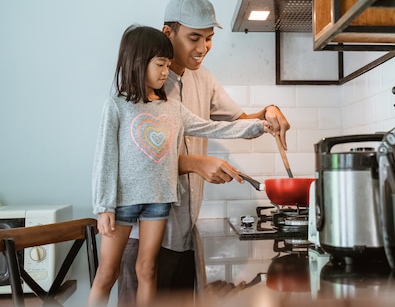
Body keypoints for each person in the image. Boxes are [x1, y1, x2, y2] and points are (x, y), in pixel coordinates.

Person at [117, 0, 291, 304]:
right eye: (194, 37)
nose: (202, 49)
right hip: (144, 236)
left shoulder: (203, 79)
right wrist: (195, 163)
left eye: (209, 39)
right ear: (167, 32)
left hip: (184, 234)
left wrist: (268, 112)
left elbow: (238, 121)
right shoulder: (142, 82)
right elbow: (133, 162)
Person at [88, 25, 272, 307]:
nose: (165, 72)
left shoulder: (172, 108)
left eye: (167, 64)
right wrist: (104, 207)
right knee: (106, 274)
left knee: (147, 270)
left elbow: (212, 128)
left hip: (159, 201)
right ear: (138, 63)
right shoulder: (116, 106)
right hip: (123, 203)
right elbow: (105, 159)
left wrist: (257, 126)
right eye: (160, 65)